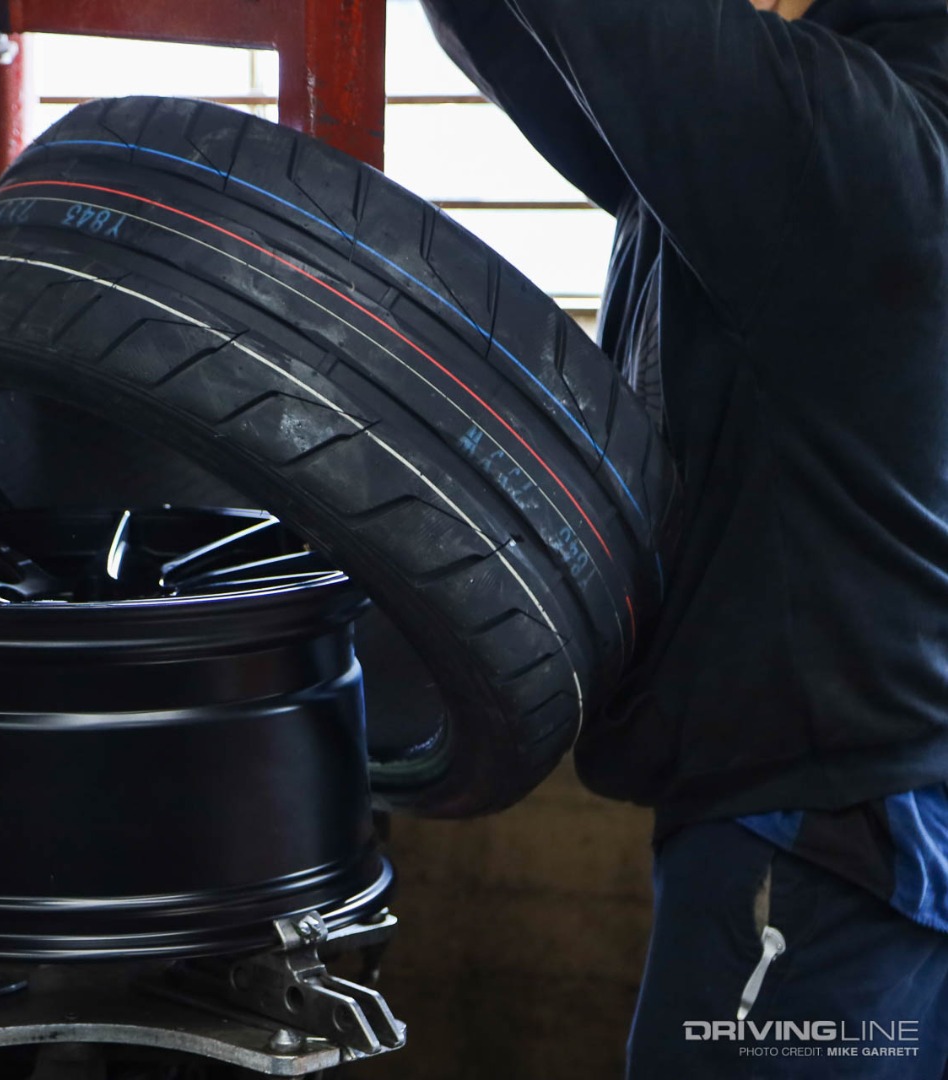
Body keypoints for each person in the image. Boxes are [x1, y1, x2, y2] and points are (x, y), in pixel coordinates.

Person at [419, 0, 948, 1074]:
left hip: (820, 838)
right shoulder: (802, 140)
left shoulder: (834, 137)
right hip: (846, 802)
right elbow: (529, 39)